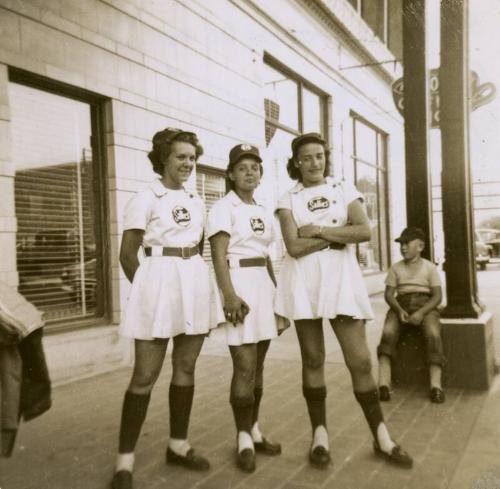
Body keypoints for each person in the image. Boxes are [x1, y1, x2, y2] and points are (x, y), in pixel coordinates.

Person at [274, 132, 413, 470]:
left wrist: (318, 231)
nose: (314, 163)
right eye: (306, 158)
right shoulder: (287, 197)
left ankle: (381, 436)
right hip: (304, 282)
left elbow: (364, 231)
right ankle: (319, 434)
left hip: (341, 281)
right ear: (296, 162)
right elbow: (293, 247)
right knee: (313, 358)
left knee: (360, 361)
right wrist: (338, 232)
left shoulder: (343, 188)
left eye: (319, 156)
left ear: (326, 158)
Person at [111, 128, 223, 489]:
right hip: (157, 287)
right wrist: (148, 293)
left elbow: (198, 246)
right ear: (163, 158)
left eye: (192, 157)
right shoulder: (145, 197)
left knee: (185, 367)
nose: (188, 163)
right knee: (144, 375)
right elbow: (128, 255)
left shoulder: (195, 198)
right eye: (181, 157)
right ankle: (124, 464)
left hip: (192, 284)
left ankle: (178, 445)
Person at [207, 144, 285, 473]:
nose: (249, 173)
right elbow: (218, 253)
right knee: (244, 366)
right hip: (238, 285)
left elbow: (267, 256)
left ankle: (254, 429)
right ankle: (242, 437)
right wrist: (228, 294)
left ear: (261, 174)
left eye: (255, 167)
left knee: (259, 367)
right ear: (230, 174)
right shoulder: (224, 207)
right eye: (242, 168)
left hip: (262, 288)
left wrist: (278, 300)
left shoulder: (264, 210)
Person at [377, 227, 445, 404]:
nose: (403, 247)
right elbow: (389, 294)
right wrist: (399, 310)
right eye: (401, 244)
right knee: (388, 333)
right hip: (401, 305)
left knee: (433, 334)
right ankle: (383, 384)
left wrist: (422, 313)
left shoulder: (430, 268)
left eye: (407, 243)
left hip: (425, 305)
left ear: (420, 246)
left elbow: (437, 296)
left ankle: (436, 386)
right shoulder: (396, 268)